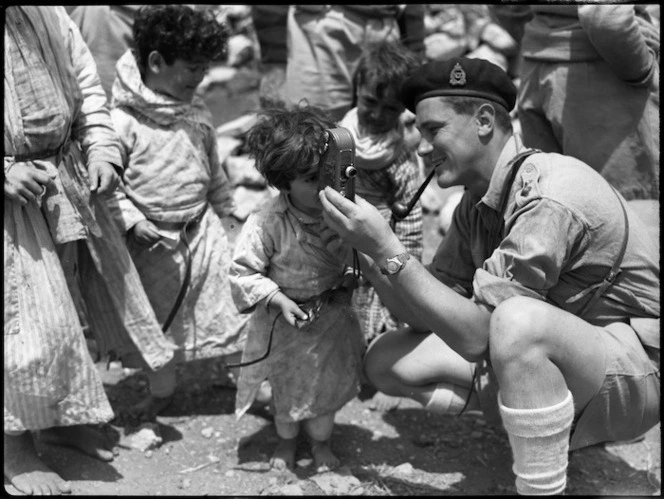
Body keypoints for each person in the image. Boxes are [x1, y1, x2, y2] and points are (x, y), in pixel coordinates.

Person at [319, 57, 660, 495]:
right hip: (577, 360)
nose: (421, 147)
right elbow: (428, 317)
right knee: (386, 359)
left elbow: (479, 335)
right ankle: (536, 419)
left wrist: (389, 248)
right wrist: (373, 256)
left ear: (483, 121)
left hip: (637, 375)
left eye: (432, 129)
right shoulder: (475, 204)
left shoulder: (549, 196)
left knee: (516, 322)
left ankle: (542, 478)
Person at [4, 6, 175, 495]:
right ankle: (12, 445)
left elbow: (85, 82)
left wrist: (100, 146)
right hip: (12, 194)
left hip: (62, 180)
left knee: (66, 312)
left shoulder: (47, 12)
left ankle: (57, 419)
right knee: (21, 328)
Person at [105, 5, 248, 421]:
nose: (200, 78)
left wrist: (229, 217)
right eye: (192, 69)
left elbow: (213, 171)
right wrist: (133, 220)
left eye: (205, 69)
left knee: (232, 307)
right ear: (155, 62)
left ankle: (249, 380)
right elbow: (107, 190)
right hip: (151, 248)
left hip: (203, 234)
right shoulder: (121, 122)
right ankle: (162, 393)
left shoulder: (197, 112)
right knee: (158, 324)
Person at [229, 105, 365, 472]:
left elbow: (363, 258)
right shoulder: (266, 221)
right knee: (286, 393)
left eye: (327, 174)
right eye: (309, 179)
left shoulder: (345, 213)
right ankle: (286, 442)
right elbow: (243, 272)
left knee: (326, 389)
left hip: (332, 319)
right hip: (284, 324)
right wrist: (276, 298)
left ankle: (321, 442)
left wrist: (351, 264)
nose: (322, 186)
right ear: (283, 181)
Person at [488, 4, 659, 205]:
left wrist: (545, 39)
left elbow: (505, 8)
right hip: (603, 69)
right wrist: (642, 69)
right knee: (634, 210)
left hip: (537, 67)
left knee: (559, 205)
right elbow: (605, 17)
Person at [252, 5, 426, 121]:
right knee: (316, 130)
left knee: (384, 125)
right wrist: (275, 66)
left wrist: (416, 47)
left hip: (387, 25)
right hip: (322, 26)